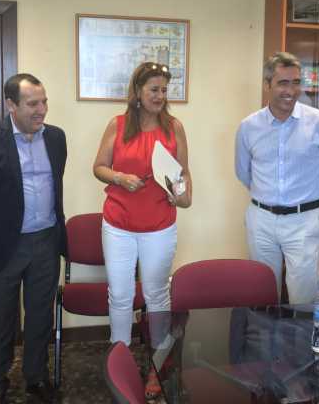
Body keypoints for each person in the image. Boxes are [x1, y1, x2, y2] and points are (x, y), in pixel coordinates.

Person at [0, 73, 67, 404]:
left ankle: (36, 376)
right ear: (10, 105)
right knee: (0, 318)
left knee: (40, 315)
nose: (41, 110)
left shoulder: (56, 138)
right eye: (32, 103)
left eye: (44, 102)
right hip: (4, 244)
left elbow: (56, 183)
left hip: (46, 241)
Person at [93, 61, 192, 397]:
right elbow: (99, 167)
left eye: (164, 90)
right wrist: (120, 177)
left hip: (159, 225)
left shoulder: (174, 127)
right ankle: (118, 362)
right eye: (153, 89)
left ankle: (157, 366)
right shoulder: (118, 125)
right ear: (137, 91)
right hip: (118, 225)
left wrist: (182, 194)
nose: (160, 96)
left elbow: (183, 174)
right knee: (120, 295)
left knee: (156, 294)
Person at [235, 52, 319, 305]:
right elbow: (243, 172)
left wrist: (306, 198)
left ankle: (299, 334)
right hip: (261, 220)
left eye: (296, 82)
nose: (291, 91)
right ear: (267, 84)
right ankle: (264, 333)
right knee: (261, 293)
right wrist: (268, 195)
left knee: (303, 298)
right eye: (283, 83)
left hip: (304, 221)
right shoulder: (248, 127)